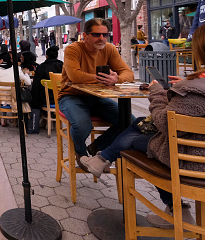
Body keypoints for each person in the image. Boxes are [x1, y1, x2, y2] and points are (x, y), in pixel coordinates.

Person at [81, 23, 205, 228]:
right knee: (138, 123)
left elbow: (164, 123)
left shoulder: (192, 91)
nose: (102, 38)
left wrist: (157, 93)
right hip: (196, 152)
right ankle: (100, 158)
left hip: (189, 163)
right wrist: (182, 87)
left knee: (134, 138)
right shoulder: (192, 88)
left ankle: (102, 158)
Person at [58, 18, 134, 165]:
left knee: (129, 121)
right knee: (82, 125)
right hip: (71, 96)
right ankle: (81, 153)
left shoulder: (109, 49)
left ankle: (96, 147)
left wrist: (116, 79)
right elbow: (75, 76)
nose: (102, 38)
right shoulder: (73, 49)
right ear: (84, 36)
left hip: (97, 97)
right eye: (96, 35)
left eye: (105, 35)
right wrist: (102, 79)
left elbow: (128, 73)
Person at [0, 50, 32, 126]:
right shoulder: (16, 68)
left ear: (2, 60)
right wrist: (26, 74)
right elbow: (28, 83)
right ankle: (15, 120)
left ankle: (2, 118)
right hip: (14, 99)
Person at [31, 46, 63, 112]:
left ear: (46, 56)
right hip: (62, 99)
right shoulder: (63, 66)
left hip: (46, 100)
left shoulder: (41, 67)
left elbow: (36, 86)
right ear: (57, 56)